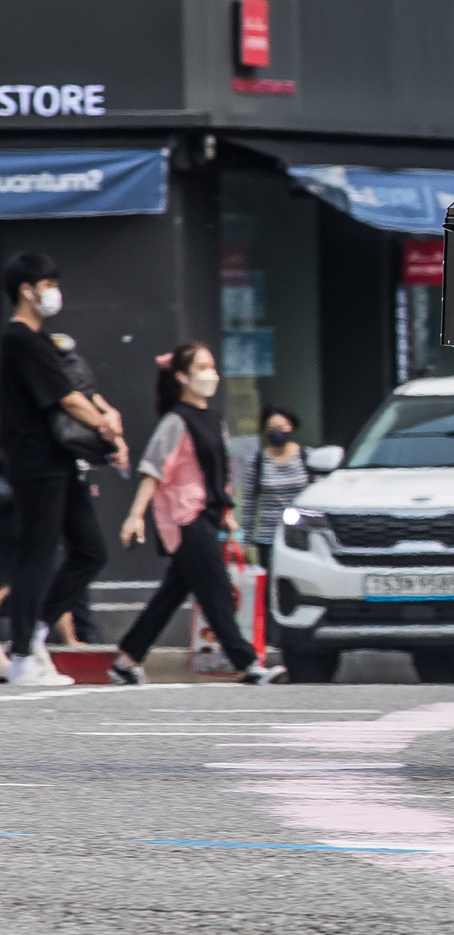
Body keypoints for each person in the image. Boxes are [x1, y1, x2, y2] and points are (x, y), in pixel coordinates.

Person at [109, 343, 281, 685]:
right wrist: (134, 516)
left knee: (173, 591)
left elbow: (223, 470)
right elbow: (153, 470)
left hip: (209, 514)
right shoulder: (176, 421)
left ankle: (127, 659)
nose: (211, 374)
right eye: (202, 368)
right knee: (215, 588)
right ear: (183, 377)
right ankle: (248, 663)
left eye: (212, 367)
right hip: (185, 517)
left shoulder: (214, 418)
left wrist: (227, 511)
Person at [1, 252, 124, 686]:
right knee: (38, 553)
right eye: (47, 283)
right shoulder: (20, 340)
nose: (54, 292)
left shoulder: (40, 340)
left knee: (91, 551)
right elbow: (67, 400)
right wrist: (105, 426)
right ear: (26, 290)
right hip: (35, 461)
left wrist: (103, 421)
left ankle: (35, 632)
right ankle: (19, 659)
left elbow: (76, 391)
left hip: (57, 459)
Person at [243, 405, 311, 566]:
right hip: (268, 538)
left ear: (291, 427)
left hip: (301, 537)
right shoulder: (258, 461)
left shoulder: (306, 457)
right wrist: (246, 541)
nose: (277, 432)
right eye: (271, 428)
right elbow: (249, 503)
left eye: (281, 427)